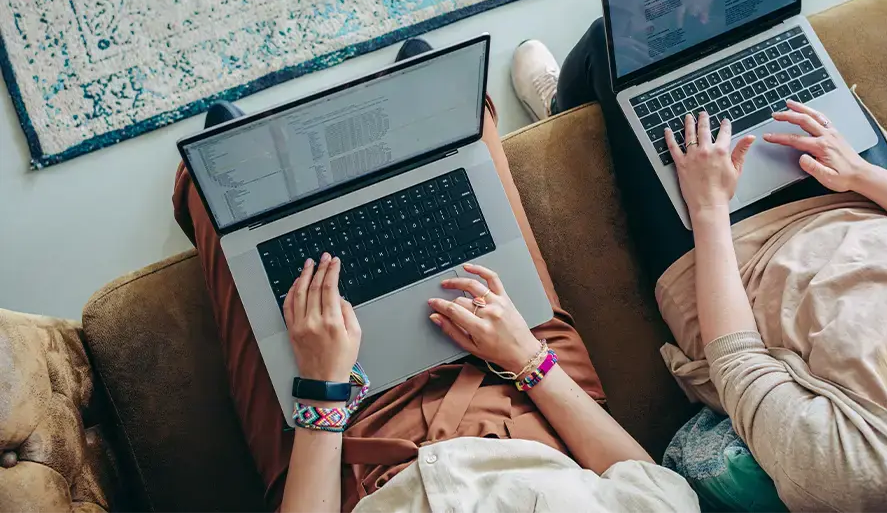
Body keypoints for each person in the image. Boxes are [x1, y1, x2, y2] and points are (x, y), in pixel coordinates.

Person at [173, 39, 698, 513]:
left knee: (213, 196)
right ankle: (415, 98)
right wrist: (528, 359)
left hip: (349, 448)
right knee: (462, 132)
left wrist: (322, 390)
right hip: (519, 396)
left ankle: (247, 154)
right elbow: (649, 487)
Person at [512, 26, 887, 510]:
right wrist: (860, 173)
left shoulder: (875, 482)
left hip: (739, 265)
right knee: (771, 43)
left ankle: (561, 108)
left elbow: (739, 364)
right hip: (868, 204)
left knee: (615, 45)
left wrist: (709, 208)